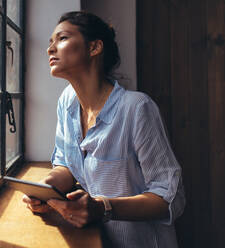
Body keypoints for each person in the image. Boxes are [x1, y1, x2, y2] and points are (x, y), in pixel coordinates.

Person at [23, 11, 185, 247]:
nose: (50, 49)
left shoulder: (137, 108)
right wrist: (45, 190)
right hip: (97, 240)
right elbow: (66, 165)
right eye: (50, 42)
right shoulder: (67, 102)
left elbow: (171, 198)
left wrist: (103, 208)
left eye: (62, 38)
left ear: (94, 47)